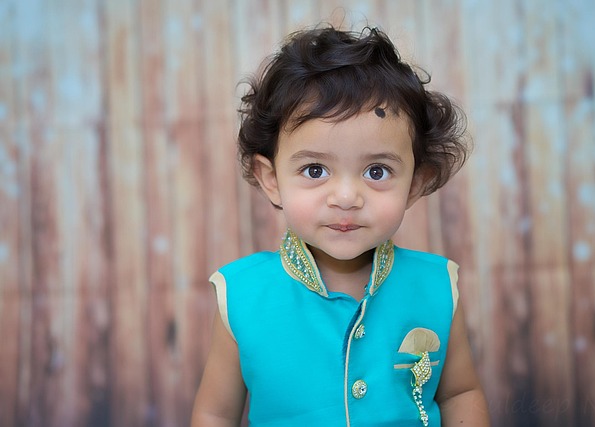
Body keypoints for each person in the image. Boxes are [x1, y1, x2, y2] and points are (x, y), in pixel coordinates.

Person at [191, 24, 490, 427]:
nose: (346, 197)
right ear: (271, 179)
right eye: (315, 169)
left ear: (415, 183)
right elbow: (214, 414)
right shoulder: (243, 295)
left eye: (377, 171)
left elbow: (459, 393)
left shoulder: (436, 285)